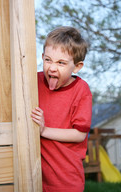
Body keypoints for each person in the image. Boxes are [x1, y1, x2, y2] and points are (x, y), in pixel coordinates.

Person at [31, 26, 92, 192]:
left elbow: (79, 134)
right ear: (42, 57)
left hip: (65, 179)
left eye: (61, 63)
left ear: (77, 66)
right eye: (48, 60)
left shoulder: (81, 90)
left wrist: (44, 130)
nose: (52, 68)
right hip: (34, 176)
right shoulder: (33, 81)